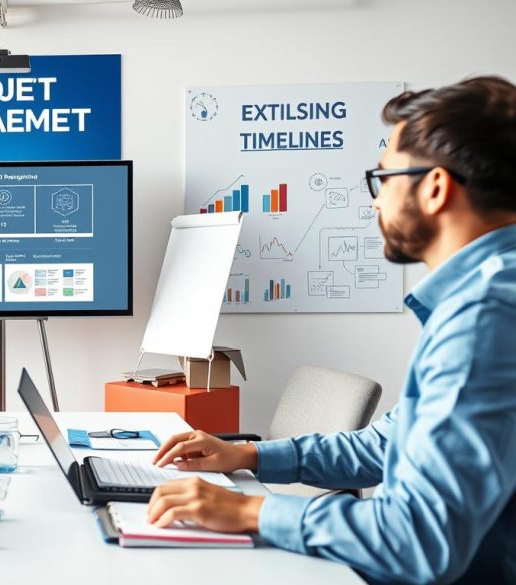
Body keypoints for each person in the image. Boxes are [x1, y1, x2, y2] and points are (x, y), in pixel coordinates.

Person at [146, 76, 516, 584]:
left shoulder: (485, 315)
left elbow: (420, 539)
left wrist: (249, 511)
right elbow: (389, 444)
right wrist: (249, 455)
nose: (375, 202)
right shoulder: (488, 296)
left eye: (383, 179)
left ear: (434, 188)